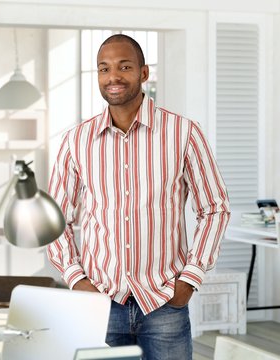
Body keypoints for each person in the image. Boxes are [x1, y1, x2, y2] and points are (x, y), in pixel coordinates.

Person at [47, 34, 230, 360]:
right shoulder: (77, 141)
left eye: (124, 66)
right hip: (99, 302)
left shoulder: (184, 133)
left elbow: (214, 208)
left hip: (164, 301)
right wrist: (77, 280)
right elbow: (55, 216)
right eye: (104, 69)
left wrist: (189, 279)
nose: (113, 77)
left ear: (144, 73)